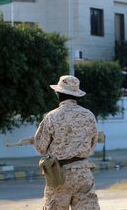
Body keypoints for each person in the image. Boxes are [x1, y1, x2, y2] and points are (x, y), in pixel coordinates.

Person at [34, 75, 99, 210]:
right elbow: (93, 144)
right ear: (76, 95)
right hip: (84, 174)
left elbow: (40, 147)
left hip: (59, 176)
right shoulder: (89, 115)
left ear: (58, 93)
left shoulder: (51, 116)